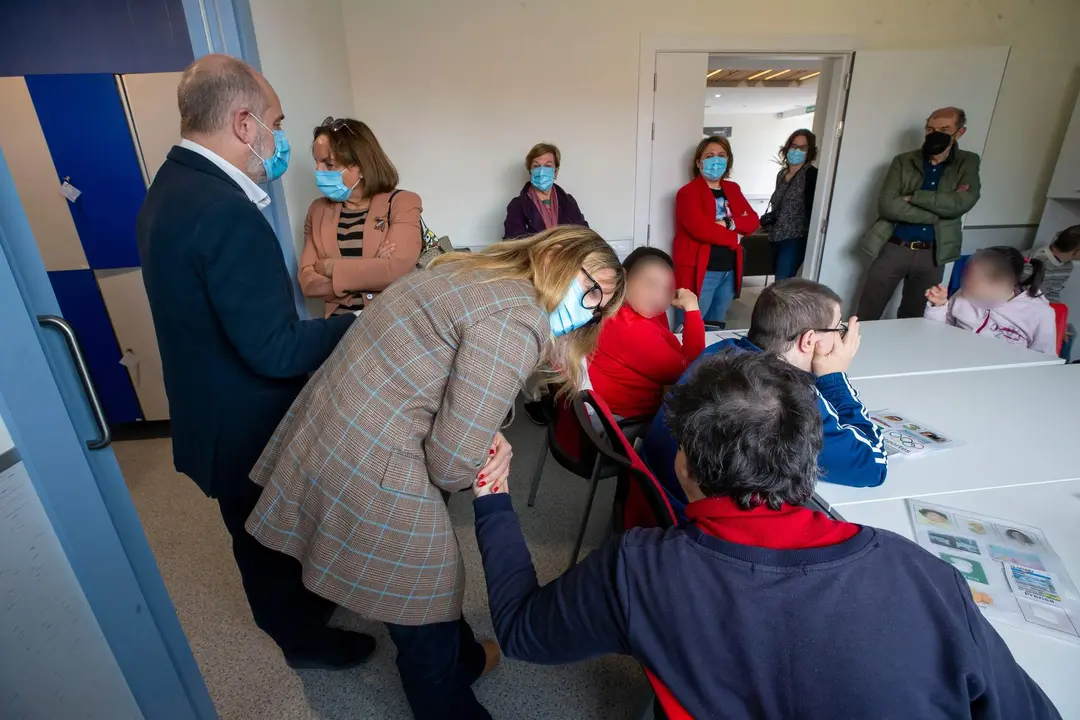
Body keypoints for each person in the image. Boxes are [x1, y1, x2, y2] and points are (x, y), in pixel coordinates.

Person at [469, 351, 1059, 720]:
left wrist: (493, 500)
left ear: (685, 466)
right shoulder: (923, 575)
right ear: (810, 457)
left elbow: (522, 631)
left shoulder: (639, 568)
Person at [245, 227, 625, 720]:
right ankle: (446, 699)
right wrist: (488, 458)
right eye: (590, 289)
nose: (589, 309)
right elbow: (450, 465)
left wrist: (483, 429)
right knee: (426, 588)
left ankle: (462, 659)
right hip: (372, 458)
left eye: (599, 307)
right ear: (554, 254)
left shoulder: (467, 269)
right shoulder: (518, 318)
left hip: (340, 428)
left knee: (428, 583)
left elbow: (443, 375)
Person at [135, 55, 371, 669]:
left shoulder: (170, 187)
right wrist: (355, 326)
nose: (280, 137)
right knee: (264, 543)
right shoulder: (223, 209)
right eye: (277, 121)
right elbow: (274, 349)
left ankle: (303, 614)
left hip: (208, 409)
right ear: (244, 123)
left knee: (260, 536)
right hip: (241, 426)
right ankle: (305, 645)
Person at [640, 278, 887, 518]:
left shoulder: (721, 351)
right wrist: (834, 378)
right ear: (809, 340)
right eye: (837, 329)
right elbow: (872, 467)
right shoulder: (784, 400)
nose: (840, 338)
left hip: (656, 497)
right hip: (694, 520)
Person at [857, 107, 982, 320]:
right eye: (930, 129)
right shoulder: (903, 161)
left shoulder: (968, 162)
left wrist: (914, 197)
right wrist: (940, 213)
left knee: (915, 317)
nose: (935, 134)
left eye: (944, 129)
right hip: (895, 247)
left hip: (933, 254)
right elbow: (887, 206)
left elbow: (963, 203)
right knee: (868, 311)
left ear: (959, 133)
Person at [299, 117, 422, 317]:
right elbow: (308, 283)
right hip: (337, 331)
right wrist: (373, 270)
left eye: (329, 164)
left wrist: (331, 267)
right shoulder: (317, 210)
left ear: (362, 167)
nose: (318, 171)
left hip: (392, 322)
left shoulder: (403, 202)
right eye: (317, 162)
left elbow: (397, 270)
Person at [587, 247, 705, 419]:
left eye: (667, 287)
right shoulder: (628, 327)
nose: (658, 296)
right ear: (625, 277)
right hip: (632, 421)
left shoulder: (623, 308)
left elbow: (666, 344)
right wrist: (692, 308)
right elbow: (693, 372)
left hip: (625, 408)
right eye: (650, 283)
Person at [673, 135, 760, 329]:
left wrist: (726, 222)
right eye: (710, 155)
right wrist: (736, 235)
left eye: (721, 155)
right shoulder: (688, 192)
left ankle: (711, 360)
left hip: (729, 271)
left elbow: (753, 221)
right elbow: (701, 230)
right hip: (701, 270)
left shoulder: (733, 189)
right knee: (690, 326)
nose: (716, 159)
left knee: (715, 325)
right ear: (699, 162)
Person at [924, 246, 1056, 355]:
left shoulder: (1039, 313)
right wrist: (938, 306)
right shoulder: (963, 294)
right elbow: (941, 331)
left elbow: (1044, 360)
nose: (969, 289)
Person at [763, 129, 819, 280]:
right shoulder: (782, 174)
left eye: (802, 148)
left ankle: (782, 304)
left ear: (809, 152)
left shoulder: (811, 174)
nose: (797, 151)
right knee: (778, 278)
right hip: (776, 235)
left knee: (783, 281)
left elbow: (813, 209)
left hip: (795, 238)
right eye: (794, 146)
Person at [503, 143, 588, 238]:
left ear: (556, 172)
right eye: (536, 166)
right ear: (530, 172)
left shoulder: (568, 202)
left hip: (567, 253)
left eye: (547, 166)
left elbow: (584, 236)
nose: (542, 171)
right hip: (536, 253)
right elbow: (513, 243)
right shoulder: (517, 206)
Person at [1030, 225, 1079, 303]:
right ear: (1077, 250)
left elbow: (1054, 291)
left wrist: (1055, 308)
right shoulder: (1038, 261)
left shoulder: (1067, 267)